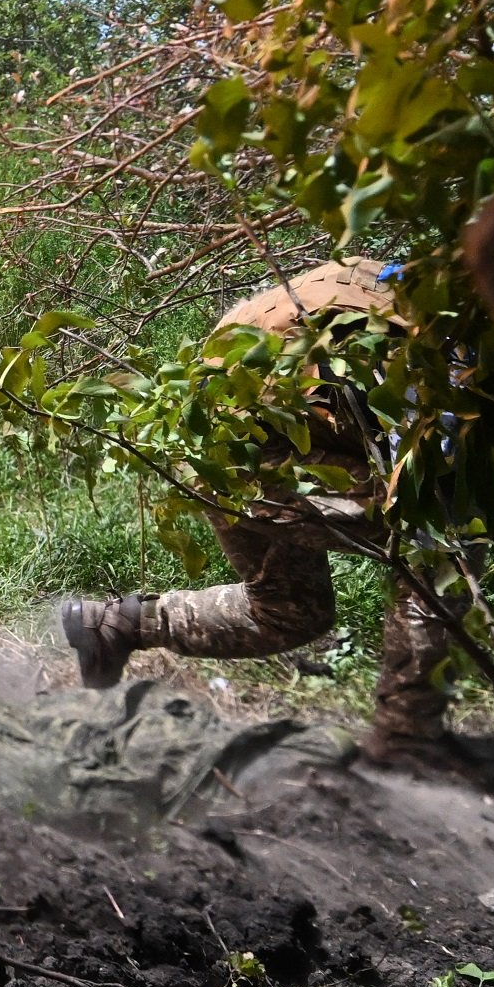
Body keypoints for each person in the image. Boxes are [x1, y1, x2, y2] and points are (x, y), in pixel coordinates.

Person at [58, 258, 457, 760]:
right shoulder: (456, 350)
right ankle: (407, 743)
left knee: (290, 610)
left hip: (225, 423)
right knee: (444, 545)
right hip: (242, 440)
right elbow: (427, 509)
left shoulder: (435, 282)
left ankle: (114, 626)